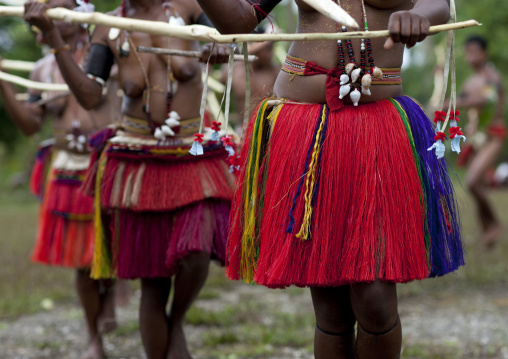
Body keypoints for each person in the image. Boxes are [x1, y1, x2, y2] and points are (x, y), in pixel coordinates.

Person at [196, 0, 465, 358]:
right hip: (306, 131)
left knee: (375, 300)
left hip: (376, 136)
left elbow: (440, 3)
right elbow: (241, 19)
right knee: (331, 308)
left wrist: (421, 15)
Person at [23, 0, 233, 358]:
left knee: (196, 251)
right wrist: (53, 36)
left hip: (189, 154)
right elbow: (90, 94)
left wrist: (221, 45)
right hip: (137, 157)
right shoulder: (107, 27)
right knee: (153, 280)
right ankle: (164, 340)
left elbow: (229, 37)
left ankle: (177, 318)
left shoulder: (189, 8)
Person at [0, 1, 121, 358]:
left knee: (110, 248)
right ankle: (92, 337)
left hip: (109, 163)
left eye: (57, 5)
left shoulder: (107, 51)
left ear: (80, 10)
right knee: (83, 262)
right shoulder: (42, 69)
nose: (46, 12)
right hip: (68, 167)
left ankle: (112, 292)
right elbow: (30, 125)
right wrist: (4, 83)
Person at [455, 35, 505, 247]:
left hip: (493, 135)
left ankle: (495, 224)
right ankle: (488, 234)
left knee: (472, 182)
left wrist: (456, 102)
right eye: (469, 52)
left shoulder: (492, 77)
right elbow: (461, 103)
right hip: (476, 139)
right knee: (480, 186)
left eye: (476, 51)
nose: (472, 56)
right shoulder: (468, 82)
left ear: (485, 54)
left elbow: (487, 100)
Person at [224, 33, 280, 131]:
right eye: (268, 49)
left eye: (272, 49)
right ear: (255, 50)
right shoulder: (232, 70)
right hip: (242, 129)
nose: (271, 54)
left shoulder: (277, 72)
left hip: (270, 129)